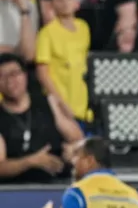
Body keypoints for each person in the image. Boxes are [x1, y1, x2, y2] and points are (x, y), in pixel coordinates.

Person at [0, 53, 83, 184]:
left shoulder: (47, 103)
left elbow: (77, 138)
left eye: (14, 74)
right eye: (2, 76)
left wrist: (72, 151)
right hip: (15, 189)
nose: (9, 81)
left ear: (25, 75)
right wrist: (31, 162)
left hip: (56, 183)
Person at [36, 0, 90, 125]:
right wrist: (60, 103)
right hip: (61, 105)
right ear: (52, 3)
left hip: (83, 104)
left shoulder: (84, 28)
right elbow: (42, 74)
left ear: (76, 2)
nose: (65, 2)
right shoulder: (46, 33)